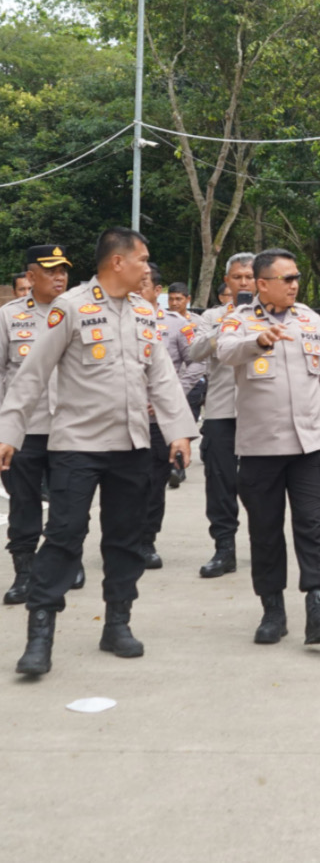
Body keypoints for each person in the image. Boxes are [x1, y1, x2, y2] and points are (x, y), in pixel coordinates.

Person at [0, 228, 195, 677]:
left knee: (125, 539)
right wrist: (10, 431)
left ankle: (117, 623)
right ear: (117, 263)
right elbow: (32, 374)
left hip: (131, 445)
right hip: (76, 446)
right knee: (65, 534)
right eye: (143, 259)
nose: (149, 268)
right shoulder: (69, 309)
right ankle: (40, 633)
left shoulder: (146, 313)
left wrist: (179, 432)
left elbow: (161, 378)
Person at [215, 248, 320, 647]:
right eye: (286, 278)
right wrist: (257, 340)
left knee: (311, 527)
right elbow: (224, 353)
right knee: (266, 533)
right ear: (262, 284)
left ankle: (318, 608)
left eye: (296, 278)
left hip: (308, 450)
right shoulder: (238, 320)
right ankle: (273, 611)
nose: (294, 284)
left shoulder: (310, 318)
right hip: (260, 450)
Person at [1, 247, 85, 604]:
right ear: (31, 277)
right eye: (50, 271)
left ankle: (70, 563)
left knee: (70, 503)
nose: (59, 277)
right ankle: (24, 572)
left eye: (63, 270)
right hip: (25, 428)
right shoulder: (8, 317)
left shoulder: (83, 312)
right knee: (23, 502)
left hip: (71, 427)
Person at [187, 253, 255, 578]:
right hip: (220, 411)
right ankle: (224, 548)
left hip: (262, 415)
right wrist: (222, 329)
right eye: (238, 277)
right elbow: (194, 351)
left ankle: (264, 546)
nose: (244, 283)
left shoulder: (273, 316)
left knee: (261, 486)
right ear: (226, 282)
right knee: (220, 484)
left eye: (250, 277)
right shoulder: (212, 316)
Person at [138, 263, 187, 569]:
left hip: (156, 422)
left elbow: (195, 361)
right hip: (120, 420)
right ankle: (120, 540)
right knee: (120, 486)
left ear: (157, 290)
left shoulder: (175, 323)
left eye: (143, 284)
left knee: (154, 484)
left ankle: (146, 541)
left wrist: (171, 394)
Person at [167, 281, 208, 428]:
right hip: (171, 380)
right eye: (171, 299)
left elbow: (204, 350)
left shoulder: (199, 322)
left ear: (188, 299)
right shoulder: (163, 321)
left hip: (193, 381)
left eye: (179, 299)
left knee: (188, 426)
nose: (174, 303)